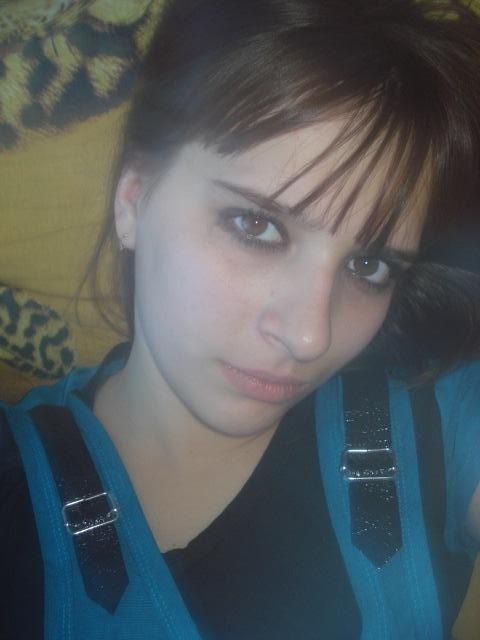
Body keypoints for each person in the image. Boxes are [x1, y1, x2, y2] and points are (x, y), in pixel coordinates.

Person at [1, 0, 480, 638]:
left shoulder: (440, 420)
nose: (310, 336)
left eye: (368, 265)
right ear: (134, 198)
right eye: (255, 225)